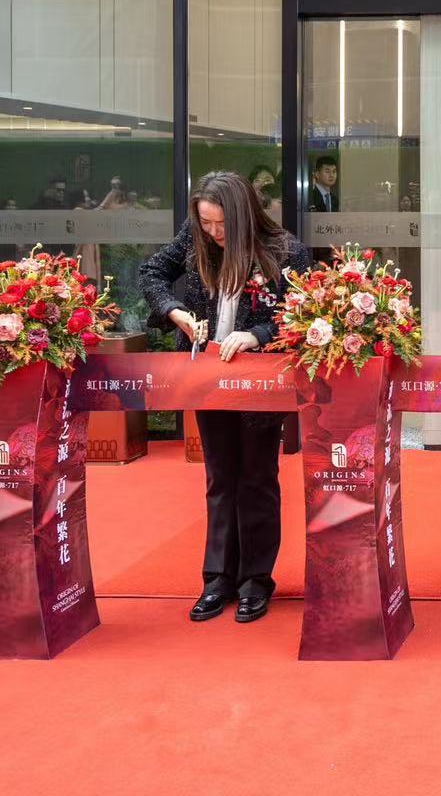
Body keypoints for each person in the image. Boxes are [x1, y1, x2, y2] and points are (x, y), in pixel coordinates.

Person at [138, 171, 311, 626]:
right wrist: (175, 311)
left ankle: (256, 579)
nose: (214, 232)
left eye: (221, 224)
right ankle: (217, 579)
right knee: (219, 477)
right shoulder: (195, 237)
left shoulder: (285, 250)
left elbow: (301, 312)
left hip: (259, 381)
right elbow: (151, 272)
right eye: (206, 223)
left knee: (257, 477)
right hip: (207, 376)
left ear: (242, 214)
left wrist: (257, 335)